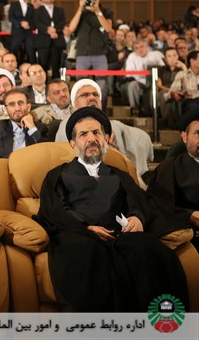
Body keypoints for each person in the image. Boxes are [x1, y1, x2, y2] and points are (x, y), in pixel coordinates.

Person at [37, 107, 189, 311]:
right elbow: (56, 209)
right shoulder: (58, 175)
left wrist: (137, 217)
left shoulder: (119, 174)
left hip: (120, 235)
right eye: (83, 134)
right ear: (73, 144)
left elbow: (140, 202)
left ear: (106, 139)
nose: (92, 138)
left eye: (96, 133)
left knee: (150, 248)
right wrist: (86, 227)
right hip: (78, 234)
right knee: (86, 252)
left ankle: (160, 322)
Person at [148, 108, 199, 250]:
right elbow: (157, 206)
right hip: (189, 239)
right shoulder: (169, 168)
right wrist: (190, 215)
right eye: (198, 133)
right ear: (184, 137)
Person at [68, 0, 113, 108]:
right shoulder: (82, 13)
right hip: (82, 52)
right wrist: (80, 8)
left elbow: (108, 28)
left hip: (100, 52)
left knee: (102, 85)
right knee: (81, 85)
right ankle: (82, 111)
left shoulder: (106, 12)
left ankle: (101, 112)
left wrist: (97, 10)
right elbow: (71, 28)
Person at [0, 89, 48, 158]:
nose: (17, 108)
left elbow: (46, 155)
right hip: (5, 164)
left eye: (21, 103)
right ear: (6, 109)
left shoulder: (40, 129)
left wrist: (32, 128)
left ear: (28, 107)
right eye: (12, 104)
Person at [33, 0, 67, 78]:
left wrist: (55, 30)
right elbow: (37, 23)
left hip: (57, 40)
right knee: (43, 65)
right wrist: (48, 30)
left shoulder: (60, 10)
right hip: (43, 42)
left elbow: (62, 22)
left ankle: (56, 83)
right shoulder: (37, 11)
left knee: (56, 65)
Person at [9, 0, 35, 64]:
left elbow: (33, 18)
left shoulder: (31, 6)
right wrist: (20, 23)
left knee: (30, 50)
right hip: (17, 31)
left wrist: (28, 24)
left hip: (28, 31)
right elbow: (11, 17)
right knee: (14, 49)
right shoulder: (14, 4)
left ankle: (32, 66)